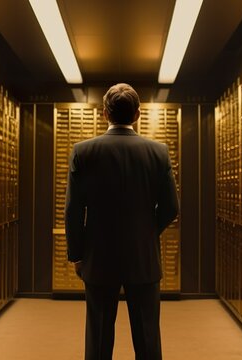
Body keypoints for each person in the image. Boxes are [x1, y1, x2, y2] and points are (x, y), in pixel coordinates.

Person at [65, 83, 179, 359]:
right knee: (148, 337)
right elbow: (171, 208)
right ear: (138, 114)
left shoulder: (83, 151)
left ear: (104, 113)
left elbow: (73, 209)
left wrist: (78, 256)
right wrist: (148, 232)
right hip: (144, 258)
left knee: (99, 338)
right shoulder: (158, 152)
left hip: (98, 258)